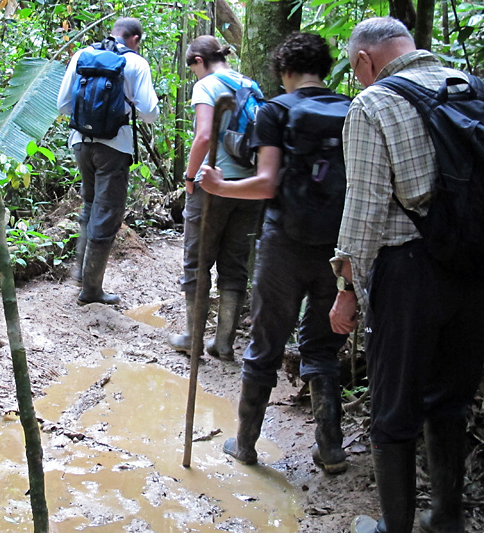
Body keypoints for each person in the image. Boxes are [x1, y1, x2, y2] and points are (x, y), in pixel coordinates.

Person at [330, 17, 484, 533]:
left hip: (408, 272)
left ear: (363, 61)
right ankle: (446, 519)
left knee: (393, 409)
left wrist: (347, 289)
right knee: (451, 401)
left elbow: (366, 208)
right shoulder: (469, 88)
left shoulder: (374, 104)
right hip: (472, 270)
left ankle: (393, 527)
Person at [200, 32, 349, 473]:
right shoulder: (350, 109)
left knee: (265, 345)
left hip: (284, 244)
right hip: (337, 250)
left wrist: (220, 186)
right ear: (325, 68)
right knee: (322, 349)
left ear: (284, 71)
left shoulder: (276, 111)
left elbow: (266, 182)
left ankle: (246, 444)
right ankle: (332, 448)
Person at [167, 35, 263, 360]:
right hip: (249, 188)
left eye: (191, 67)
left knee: (197, 262)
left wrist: (190, 177)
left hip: (213, 185)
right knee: (234, 264)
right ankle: (223, 344)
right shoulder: (251, 85)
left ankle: (193, 338)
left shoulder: (206, 84)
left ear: (197, 60)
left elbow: (204, 135)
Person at [57, 17, 159, 305]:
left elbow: (62, 104)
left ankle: (82, 273)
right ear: (135, 39)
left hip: (80, 143)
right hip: (114, 147)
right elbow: (150, 112)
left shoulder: (82, 54)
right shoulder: (136, 63)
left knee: (90, 206)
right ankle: (91, 291)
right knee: (107, 213)